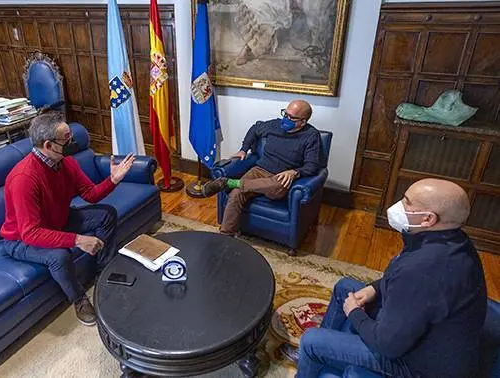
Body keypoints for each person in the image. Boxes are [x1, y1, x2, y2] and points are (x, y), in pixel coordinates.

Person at [283, 179, 488, 378]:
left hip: (416, 367)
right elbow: (401, 280)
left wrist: (354, 312)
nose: (398, 205)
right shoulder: (453, 241)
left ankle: (312, 355)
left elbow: (387, 346)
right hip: (421, 335)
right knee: (344, 287)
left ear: (428, 219)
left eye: (407, 201)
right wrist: (374, 288)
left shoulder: (423, 270)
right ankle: (320, 357)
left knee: (312, 341)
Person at [0, 111, 135, 326]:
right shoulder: (24, 179)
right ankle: (79, 300)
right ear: (48, 145)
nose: (73, 142)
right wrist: (78, 240)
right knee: (59, 256)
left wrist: (113, 179)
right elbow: (31, 232)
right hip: (21, 240)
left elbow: (90, 194)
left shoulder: (66, 162)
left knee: (106, 214)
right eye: (66, 139)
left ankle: (103, 273)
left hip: (57, 221)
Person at [201, 100, 326, 236]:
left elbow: (312, 166)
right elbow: (255, 128)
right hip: (259, 170)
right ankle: (225, 234)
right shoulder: (275, 125)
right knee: (236, 194)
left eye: (291, 117)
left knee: (276, 186)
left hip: (279, 177)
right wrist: (244, 149)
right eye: (285, 114)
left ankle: (229, 183)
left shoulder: (311, 136)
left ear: (303, 122)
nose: (285, 119)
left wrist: (294, 172)